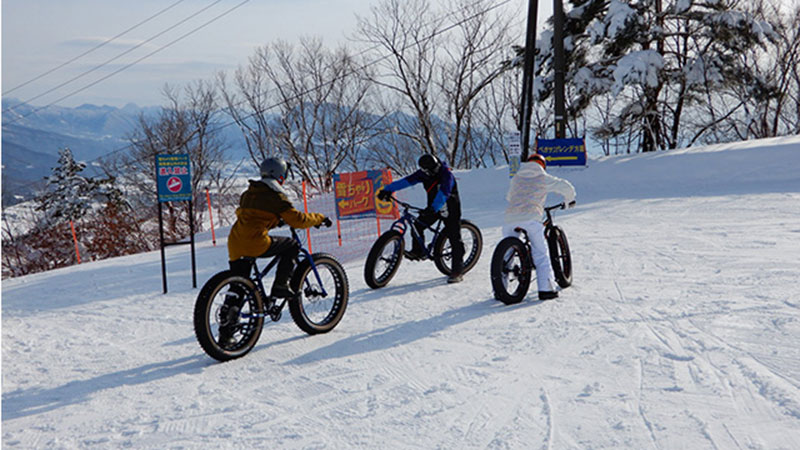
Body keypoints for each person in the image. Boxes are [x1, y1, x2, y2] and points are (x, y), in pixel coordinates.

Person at [227, 157, 331, 299]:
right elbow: (298, 220)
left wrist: (276, 221)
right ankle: (281, 285)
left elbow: (255, 217)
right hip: (255, 242)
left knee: (238, 285)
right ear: (280, 175)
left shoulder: (248, 193)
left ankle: (230, 312)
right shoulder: (276, 196)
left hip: (235, 242)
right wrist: (319, 218)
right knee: (291, 246)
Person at [377, 154, 465, 283]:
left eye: (434, 169)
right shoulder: (423, 173)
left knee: (454, 236)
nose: (432, 172)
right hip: (433, 207)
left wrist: (433, 208)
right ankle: (418, 252)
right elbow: (406, 181)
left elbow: (444, 193)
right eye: (429, 171)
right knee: (418, 226)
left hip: (450, 208)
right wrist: (387, 190)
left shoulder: (446, 175)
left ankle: (457, 270)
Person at [503, 153, 576, 300]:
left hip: (510, 218)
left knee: (507, 255)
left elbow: (509, 197)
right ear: (542, 165)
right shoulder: (542, 176)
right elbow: (565, 186)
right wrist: (570, 200)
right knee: (540, 254)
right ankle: (546, 289)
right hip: (531, 217)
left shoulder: (516, 177)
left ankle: (500, 289)